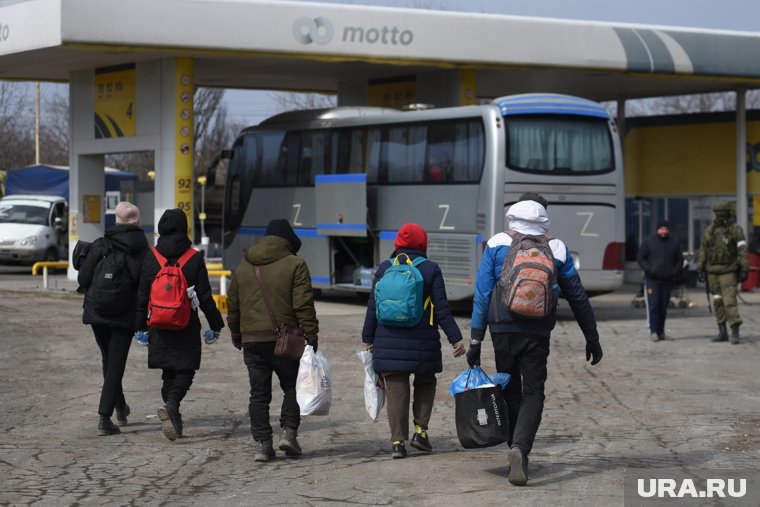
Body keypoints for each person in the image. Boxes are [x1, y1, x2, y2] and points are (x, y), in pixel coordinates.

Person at [467, 197, 602, 486]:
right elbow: (577, 296)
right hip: (537, 331)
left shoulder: (496, 243)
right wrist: (592, 337)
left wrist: (476, 339)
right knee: (533, 392)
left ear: (511, 218)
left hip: (501, 328)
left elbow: (481, 295)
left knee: (509, 388)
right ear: (543, 221)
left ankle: (515, 449)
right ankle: (521, 449)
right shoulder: (556, 248)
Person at [361, 222, 465, 459]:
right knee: (425, 383)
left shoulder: (384, 268)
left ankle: (398, 442)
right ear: (423, 243)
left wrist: (368, 338)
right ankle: (421, 433)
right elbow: (441, 309)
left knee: (397, 390)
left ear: (397, 244)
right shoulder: (430, 269)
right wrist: (455, 338)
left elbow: (372, 307)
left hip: (388, 340)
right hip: (423, 341)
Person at [226, 219, 319, 462]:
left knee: (258, 395)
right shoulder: (295, 263)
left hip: (252, 341)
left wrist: (236, 334)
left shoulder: (244, 265)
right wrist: (311, 333)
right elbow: (303, 303)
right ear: (288, 242)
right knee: (292, 387)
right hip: (285, 339)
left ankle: (262, 445)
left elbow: (233, 305)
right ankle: (288, 434)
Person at [135, 208, 225, 441]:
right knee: (185, 370)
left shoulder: (151, 256)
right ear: (185, 228)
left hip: (157, 324)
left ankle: (174, 415)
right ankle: (173, 405)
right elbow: (205, 296)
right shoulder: (193, 257)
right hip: (185, 324)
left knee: (168, 372)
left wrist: (140, 328)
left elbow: (142, 296)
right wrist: (216, 325)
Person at [76, 201, 149, 436]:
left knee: (109, 360)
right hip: (124, 314)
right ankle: (104, 417)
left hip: (97, 312)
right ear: (137, 221)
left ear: (115, 220)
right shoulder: (143, 250)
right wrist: (141, 319)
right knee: (115, 363)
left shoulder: (101, 244)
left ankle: (120, 407)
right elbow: (144, 288)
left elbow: (83, 278)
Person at [695, 200, 749, 344]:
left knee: (730, 301)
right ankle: (722, 332)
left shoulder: (735, 229)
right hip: (712, 272)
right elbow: (704, 251)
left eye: (722, 213)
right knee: (717, 301)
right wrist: (699, 268)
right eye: (717, 213)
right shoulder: (710, 230)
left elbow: (742, 250)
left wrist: (744, 268)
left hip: (728, 271)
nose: (719, 216)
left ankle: (735, 332)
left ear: (728, 213)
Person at [636, 220, 684, 341]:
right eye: (661, 229)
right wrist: (649, 269)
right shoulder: (648, 242)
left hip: (668, 281)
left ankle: (661, 331)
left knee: (663, 307)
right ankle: (653, 331)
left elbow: (680, 260)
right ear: (657, 229)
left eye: (666, 229)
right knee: (654, 306)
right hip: (652, 280)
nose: (664, 231)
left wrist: (674, 272)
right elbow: (640, 258)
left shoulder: (674, 243)